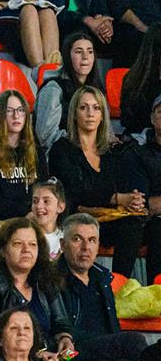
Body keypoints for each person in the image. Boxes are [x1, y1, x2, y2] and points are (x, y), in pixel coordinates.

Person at [57, 212, 158, 361]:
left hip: (103, 357)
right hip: (69, 356)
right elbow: (57, 331)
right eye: (77, 239)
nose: (86, 247)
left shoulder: (102, 277)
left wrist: (113, 346)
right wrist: (113, 344)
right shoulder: (52, 279)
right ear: (63, 245)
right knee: (134, 343)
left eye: (92, 240)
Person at [50, 85, 159, 279]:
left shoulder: (111, 152)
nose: (90, 113)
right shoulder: (62, 149)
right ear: (74, 114)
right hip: (76, 217)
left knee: (139, 225)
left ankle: (120, 284)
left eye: (96, 108)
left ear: (102, 115)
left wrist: (133, 200)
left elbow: (120, 186)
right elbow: (76, 190)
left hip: (106, 218)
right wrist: (117, 198)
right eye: (83, 108)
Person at [0, 217, 76, 345]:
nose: (26, 249)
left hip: (48, 352)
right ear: (2, 250)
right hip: (10, 355)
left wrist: (64, 338)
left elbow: (60, 321)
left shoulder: (45, 278)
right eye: (18, 243)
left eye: (32, 244)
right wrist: (37, 353)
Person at [0, 92, 45, 221]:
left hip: (35, 218)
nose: (16, 115)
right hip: (2, 222)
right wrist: (25, 214)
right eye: (9, 111)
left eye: (20, 110)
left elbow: (44, 191)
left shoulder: (37, 152)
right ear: (0, 115)